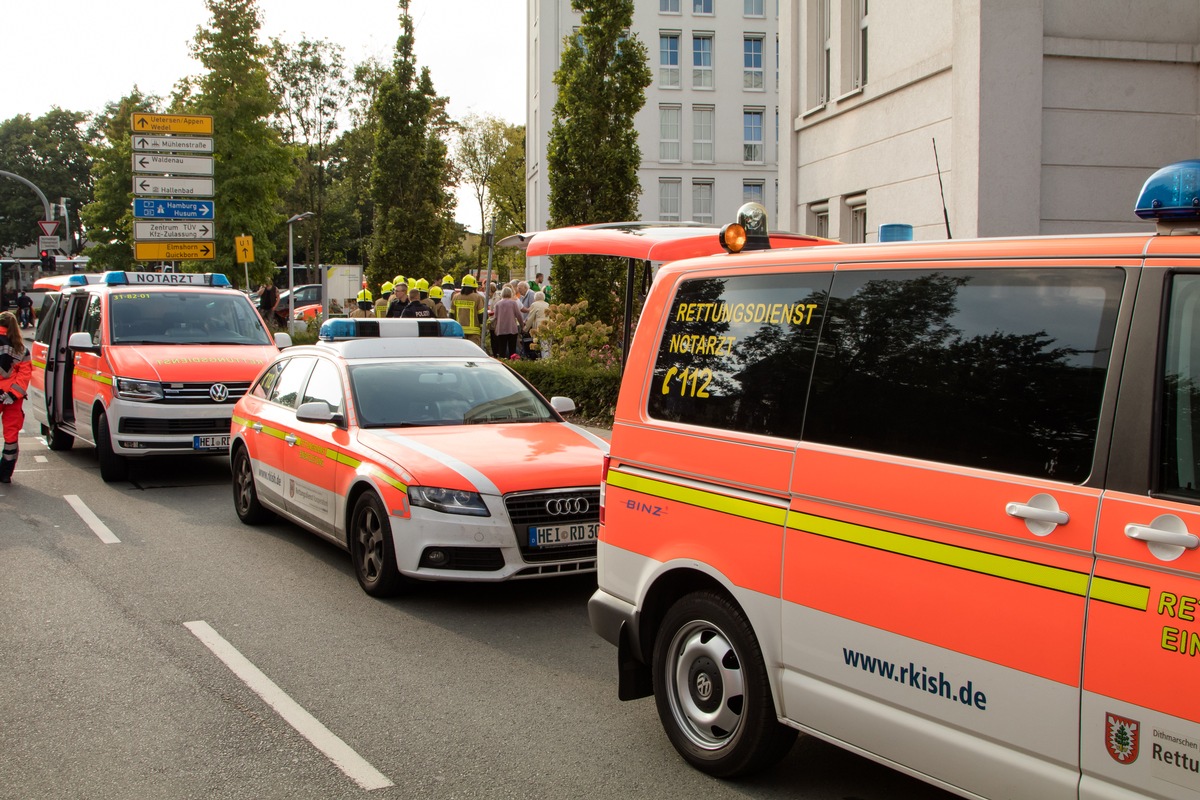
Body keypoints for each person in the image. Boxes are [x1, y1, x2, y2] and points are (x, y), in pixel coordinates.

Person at [0, 311, 31, 484]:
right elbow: (24, 376)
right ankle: (5, 473)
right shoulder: (22, 349)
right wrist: (12, 395)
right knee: (11, 437)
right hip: (12, 398)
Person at [452, 274, 487, 347]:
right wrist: (484, 329)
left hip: (459, 332)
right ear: (474, 287)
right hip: (474, 333)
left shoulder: (456, 297)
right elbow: (481, 315)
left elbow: (451, 315)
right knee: (473, 355)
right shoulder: (478, 298)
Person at [492, 285, 524, 360]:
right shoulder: (513, 303)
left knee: (502, 349)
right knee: (512, 349)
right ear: (510, 293)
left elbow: (495, 317)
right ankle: (513, 363)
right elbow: (519, 315)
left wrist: (495, 328)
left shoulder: (498, 304)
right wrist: (522, 325)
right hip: (512, 329)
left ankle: (503, 363)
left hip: (501, 329)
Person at [523, 290, 550, 359]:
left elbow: (530, 318)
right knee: (547, 344)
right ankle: (548, 359)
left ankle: (543, 359)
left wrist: (525, 328)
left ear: (535, 298)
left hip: (539, 326)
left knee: (541, 344)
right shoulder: (547, 304)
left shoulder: (534, 305)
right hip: (548, 325)